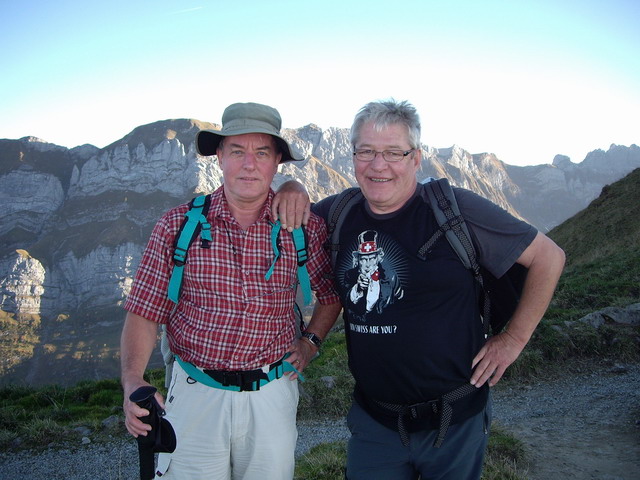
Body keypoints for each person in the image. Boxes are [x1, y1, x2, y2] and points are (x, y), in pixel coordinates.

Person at [273, 99, 565, 479]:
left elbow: (549, 257)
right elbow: (284, 223)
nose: (379, 165)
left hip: (455, 421)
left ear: (416, 158)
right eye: (367, 152)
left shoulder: (455, 210)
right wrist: (292, 184)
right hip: (374, 421)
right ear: (353, 156)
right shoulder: (338, 213)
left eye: (394, 152)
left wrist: (513, 340)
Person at [120, 102, 342, 480]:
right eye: (237, 151)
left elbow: (331, 295)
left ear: (276, 163)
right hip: (195, 393)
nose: (249, 164)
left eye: (261, 153)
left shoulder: (303, 228)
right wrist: (132, 380)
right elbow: (145, 311)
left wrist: (309, 342)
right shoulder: (177, 226)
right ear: (220, 157)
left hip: (272, 392)